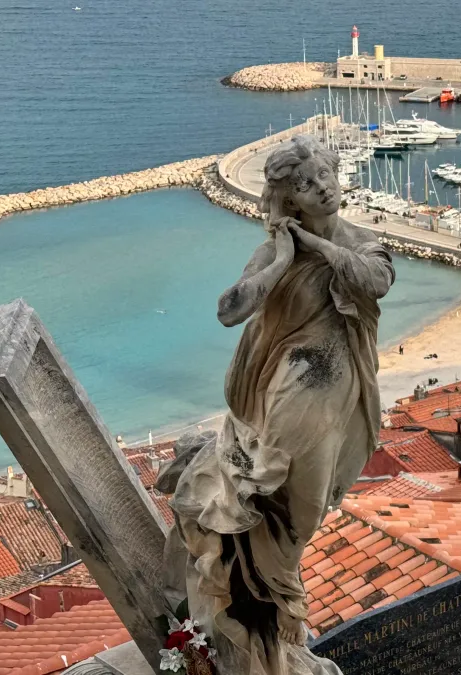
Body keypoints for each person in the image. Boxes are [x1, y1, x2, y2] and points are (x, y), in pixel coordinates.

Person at [166, 135, 394, 668]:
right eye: (304, 185)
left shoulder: (363, 242)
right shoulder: (273, 252)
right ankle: (279, 600)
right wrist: (284, 258)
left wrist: (316, 246)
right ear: (289, 199)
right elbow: (229, 310)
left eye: (323, 175)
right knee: (285, 498)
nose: (322, 188)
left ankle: (278, 594)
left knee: (307, 509)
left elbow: (375, 282)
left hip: (344, 390)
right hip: (291, 387)